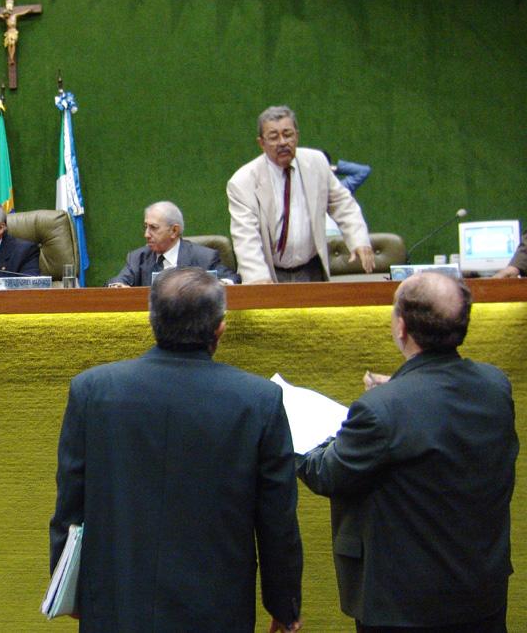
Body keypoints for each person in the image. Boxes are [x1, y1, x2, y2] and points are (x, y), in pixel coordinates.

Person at [50, 267, 303, 632]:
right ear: (220, 328)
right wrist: (284, 604)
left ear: (152, 320)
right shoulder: (259, 400)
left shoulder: (92, 391)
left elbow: (70, 503)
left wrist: (69, 589)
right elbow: (277, 519)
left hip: (116, 601)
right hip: (217, 607)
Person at [298, 272, 518, 632]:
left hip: (404, 607)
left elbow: (327, 473)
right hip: (481, 594)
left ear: (401, 327)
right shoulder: (495, 386)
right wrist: (398, 391)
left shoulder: (382, 410)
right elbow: (439, 413)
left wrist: (293, 432)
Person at [227, 105, 375, 283]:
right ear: (261, 143)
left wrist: (359, 240)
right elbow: (246, 237)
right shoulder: (242, 182)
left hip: (312, 269)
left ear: (296, 136)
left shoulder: (317, 162)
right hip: (269, 273)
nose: (282, 142)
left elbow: (343, 203)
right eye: (274, 137)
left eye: (288, 134)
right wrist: (259, 280)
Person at [107, 200, 240, 286]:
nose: (146, 234)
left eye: (153, 228)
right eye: (146, 227)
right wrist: (118, 286)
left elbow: (231, 278)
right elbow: (116, 282)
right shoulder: (138, 258)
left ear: (174, 231)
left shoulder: (204, 257)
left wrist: (220, 285)